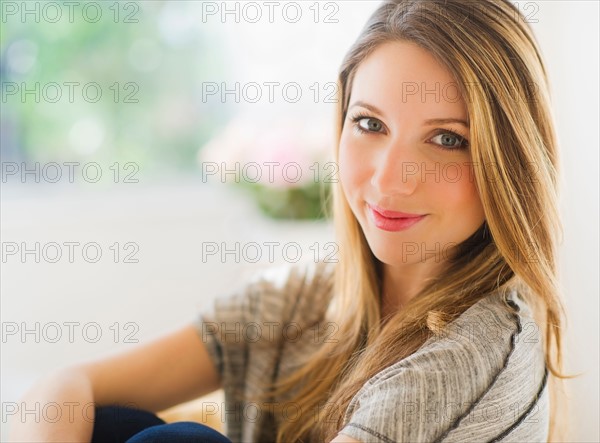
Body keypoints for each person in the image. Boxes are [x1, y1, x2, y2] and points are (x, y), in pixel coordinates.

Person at [9, 0, 571, 441]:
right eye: (370, 125)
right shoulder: (304, 299)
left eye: (448, 139)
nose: (390, 178)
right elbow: (65, 388)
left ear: (508, 160)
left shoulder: (479, 350)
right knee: (112, 424)